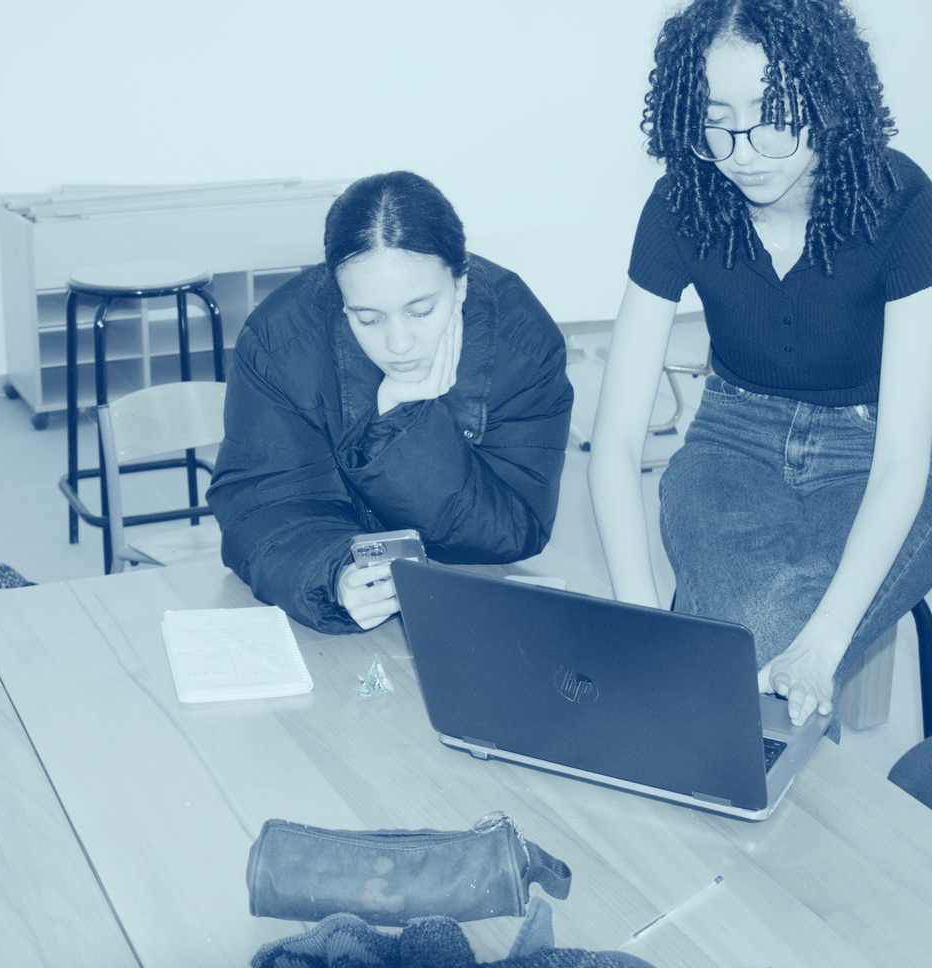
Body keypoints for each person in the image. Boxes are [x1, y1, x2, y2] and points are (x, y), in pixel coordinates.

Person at [588, 0, 932, 733]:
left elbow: (904, 457)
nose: (742, 152)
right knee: (762, 643)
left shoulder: (901, 201)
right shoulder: (683, 201)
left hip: (874, 451)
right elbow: (614, 441)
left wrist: (826, 637)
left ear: (827, 100)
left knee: (769, 642)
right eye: (716, 121)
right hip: (731, 439)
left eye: (773, 119)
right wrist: (638, 622)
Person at [207, 171, 574, 634]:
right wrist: (335, 574)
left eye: (421, 311)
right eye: (367, 318)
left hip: (471, 603)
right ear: (339, 296)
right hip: (342, 615)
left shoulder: (521, 340)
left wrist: (406, 420)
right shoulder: (280, 340)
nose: (398, 343)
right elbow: (258, 507)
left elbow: (517, 529)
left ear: (461, 284)